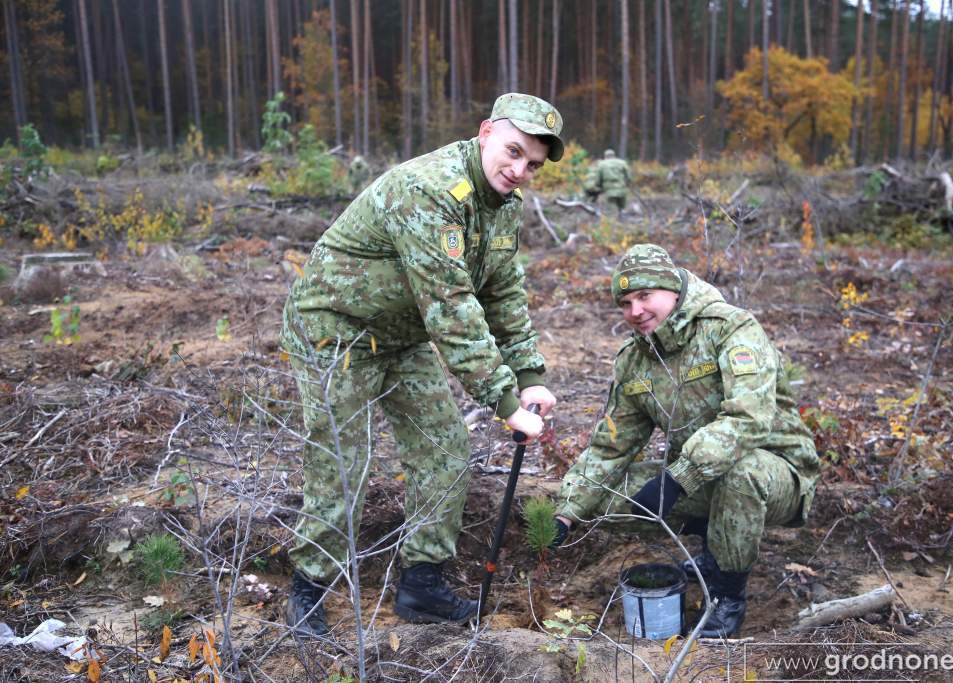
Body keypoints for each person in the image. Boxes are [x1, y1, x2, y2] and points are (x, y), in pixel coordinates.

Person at [279, 93, 564, 635]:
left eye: (533, 165)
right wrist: (505, 402)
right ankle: (310, 589)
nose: (519, 170)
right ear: (484, 132)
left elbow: (501, 290)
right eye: (512, 152)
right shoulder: (427, 190)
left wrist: (529, 375)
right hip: (335, 331)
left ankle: (421, 585)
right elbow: (452, 307)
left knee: (445, 449)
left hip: (400, 336)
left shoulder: (504, 204)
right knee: (344, 462)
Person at [550, 244, 820, 638]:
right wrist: (566, 512)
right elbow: (612, 446)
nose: (635, 311)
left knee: (739, 474)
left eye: (645, 296)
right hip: (697, 477)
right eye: (625, 303)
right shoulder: (634, 360)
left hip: (776, 473)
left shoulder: (729, 328)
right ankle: (715, 542)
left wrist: (676, 481)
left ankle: (728, 596)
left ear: (673, 290)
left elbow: (749, 418)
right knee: (609, 497)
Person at [595, 148, 631, 213]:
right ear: (614, 155)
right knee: (622, 208)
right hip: (621, 189)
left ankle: (613, 220)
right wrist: (627, 184)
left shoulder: (601, 164)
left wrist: (599, 186)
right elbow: (628, 177)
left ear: (605, 156)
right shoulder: (622, 162)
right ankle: (623, 219)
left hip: (609, 190)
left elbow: (598, 178)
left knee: (612, 209)